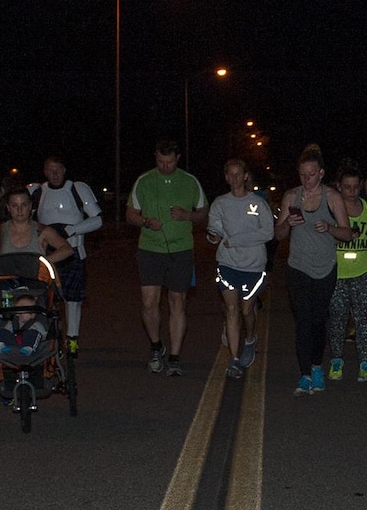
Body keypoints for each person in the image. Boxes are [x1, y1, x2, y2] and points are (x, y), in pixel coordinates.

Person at [274, 145, 355, 396]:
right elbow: (277, 234)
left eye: (310, 174)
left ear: (320, 173)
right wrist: (288, 222)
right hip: (297, 266)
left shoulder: (332, 197)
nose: (306, 179)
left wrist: (330, 228)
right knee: (302, 321)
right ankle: (305, 374)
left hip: (324, 268)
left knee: (318, 321)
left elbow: (348, 234)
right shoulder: (291, 196)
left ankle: (318, 366)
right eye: (302, 174)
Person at [126, 138, 208, 376]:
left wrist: (187, 216)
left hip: (180, 250)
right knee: (149, 302)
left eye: (169, 162)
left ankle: (174, 356)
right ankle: (155, 346)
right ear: (155, 157)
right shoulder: (144, 181)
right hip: (150, 249)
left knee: (177, 301)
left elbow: (203, 213)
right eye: (161, 161)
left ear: (178, 158)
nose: (165, 166)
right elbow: (130, 213)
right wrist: (144, 221)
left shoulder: (190, 182)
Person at [209, 157, 275, 379]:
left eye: (239, 174)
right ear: (226, 177)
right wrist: (213, 236)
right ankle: (234, 359)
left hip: (253, 265)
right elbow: (214, 231)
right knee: (231, 309)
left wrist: (237, 240)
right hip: (228, 263)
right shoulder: (220, 203)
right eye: (231, 174)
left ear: (245, 176)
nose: (235, 178)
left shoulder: (257, 203)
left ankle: (250, 338)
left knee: (247, 310)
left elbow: (268, 233)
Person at [29, 156, 102, 354]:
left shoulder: (77, 189)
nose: (55, 174)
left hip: (73, 251)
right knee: (44, 297)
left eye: (59, 169)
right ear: (45, 171)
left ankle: (72, 340)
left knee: (73, 299)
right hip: (46, 253)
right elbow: (23, 217)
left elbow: (97, 220)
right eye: (51, 170)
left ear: (64, 170)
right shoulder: (36, 191)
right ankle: (45, 337)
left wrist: (73, 229)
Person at [326, 162, 367, 383]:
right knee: (337, 319)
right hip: (337, 273)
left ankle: (365, 363)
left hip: (363, 273)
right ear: (339, 187)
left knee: (363, 319)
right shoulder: (332, 210)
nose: (351, 191)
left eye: (356, 187)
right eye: (347, 187)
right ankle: (336, 360)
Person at [0, 187, 65, 277]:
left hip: (36, 287)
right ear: (8, 208)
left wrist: (44, 262)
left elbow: (67, 249)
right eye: (14, 206)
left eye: (24, 205)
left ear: (30, 206)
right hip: (6, 286)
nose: (19, 210)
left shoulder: (41, 230)